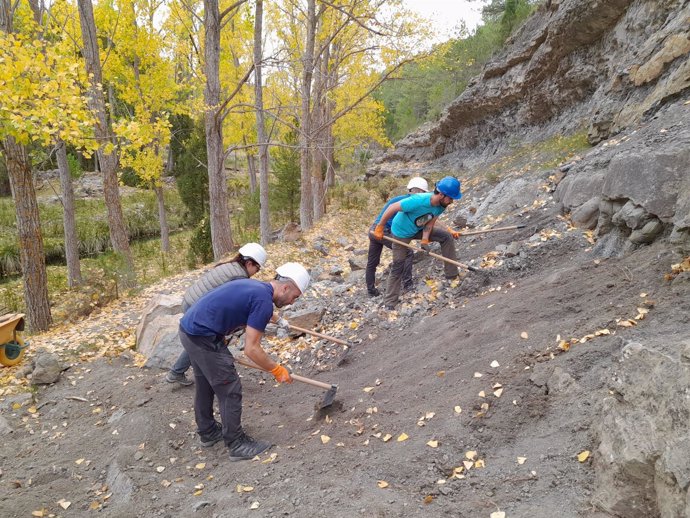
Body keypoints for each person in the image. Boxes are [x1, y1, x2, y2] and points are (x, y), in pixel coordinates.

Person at [178, 262, 310, 461]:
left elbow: (246, 306)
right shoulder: (262, 301)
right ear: (285, 288)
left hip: (190, 329)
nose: (292, 302)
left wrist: (276, 319)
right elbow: (252, 349)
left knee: (205, 384)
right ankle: (236, 443)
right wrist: (276, 369)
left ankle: (208, 432)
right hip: (203, 337)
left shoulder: (256, 287)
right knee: (230, 388)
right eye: (294, 296)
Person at [166, 243, 286, 386]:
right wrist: (275, 320)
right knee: (200, 340)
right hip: (196, 306)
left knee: (198, 342)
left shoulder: (230, 266)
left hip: (191, 299)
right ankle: (178, 372)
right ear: (248, 263)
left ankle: (182, 372)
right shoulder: (239, 276)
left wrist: (277, 320)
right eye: (257, 268)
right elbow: (257, 304)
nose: (257, 272)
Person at [372, 176, 463, 309]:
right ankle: (390, 302)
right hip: (400, 233)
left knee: (446, 237)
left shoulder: (441, 205)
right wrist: (380, 227)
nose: (452, 202)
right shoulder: (418, 200)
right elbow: (392, 207)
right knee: (398, 265)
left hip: (418, 229)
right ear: (441, 195)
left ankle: (452, 275)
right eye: (450, 198)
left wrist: (425, 238)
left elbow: (430, 221)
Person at [365, 177, 429, 297]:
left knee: (372, 262)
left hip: (374, 229)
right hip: (383, 230)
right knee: (408, 252)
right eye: (424, 193)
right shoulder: (409, 202)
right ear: (419, 191)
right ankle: (407, 284)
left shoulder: (400, 199)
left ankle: (371, 291)